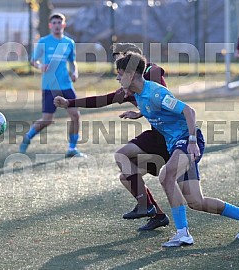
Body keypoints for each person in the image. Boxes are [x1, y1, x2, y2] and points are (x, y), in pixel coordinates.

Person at [116, 52, 239, 247]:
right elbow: (155, 108)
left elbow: (188, 111)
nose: (117, 77)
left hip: (187, 140)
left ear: (131, 75)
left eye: (120, 73)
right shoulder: (139, 95)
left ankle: (183, 233)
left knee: (166, 176)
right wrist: (139, 114)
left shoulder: (156, 92)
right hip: (175, 144)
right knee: (196, 202)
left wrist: (191, 141)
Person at [55, 43, 170, 231]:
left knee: (194, 198)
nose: (117, 72)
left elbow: (161, 95)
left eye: (121, 64)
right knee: (127, 176)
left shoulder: (153, 73)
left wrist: (141, 111)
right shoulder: (128, 89)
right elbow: (103, 99)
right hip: (157, 135)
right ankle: (156, 213)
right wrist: (69, 102)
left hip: (171, 137)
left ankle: (152, 209)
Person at [19, 13, 86, 158]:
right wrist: (40, 66)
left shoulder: (69, 42)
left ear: (63, 25)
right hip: (50, 86)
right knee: (47, 120)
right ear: (50, 26)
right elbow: (32, 60)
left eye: (59, 23)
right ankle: (28, 136)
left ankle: (72, 148)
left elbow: (72, 62)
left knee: (75, 115)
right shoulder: (43, 41)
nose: (56, 25)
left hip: (66, 85)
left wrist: (75, 72)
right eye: (54, 23)